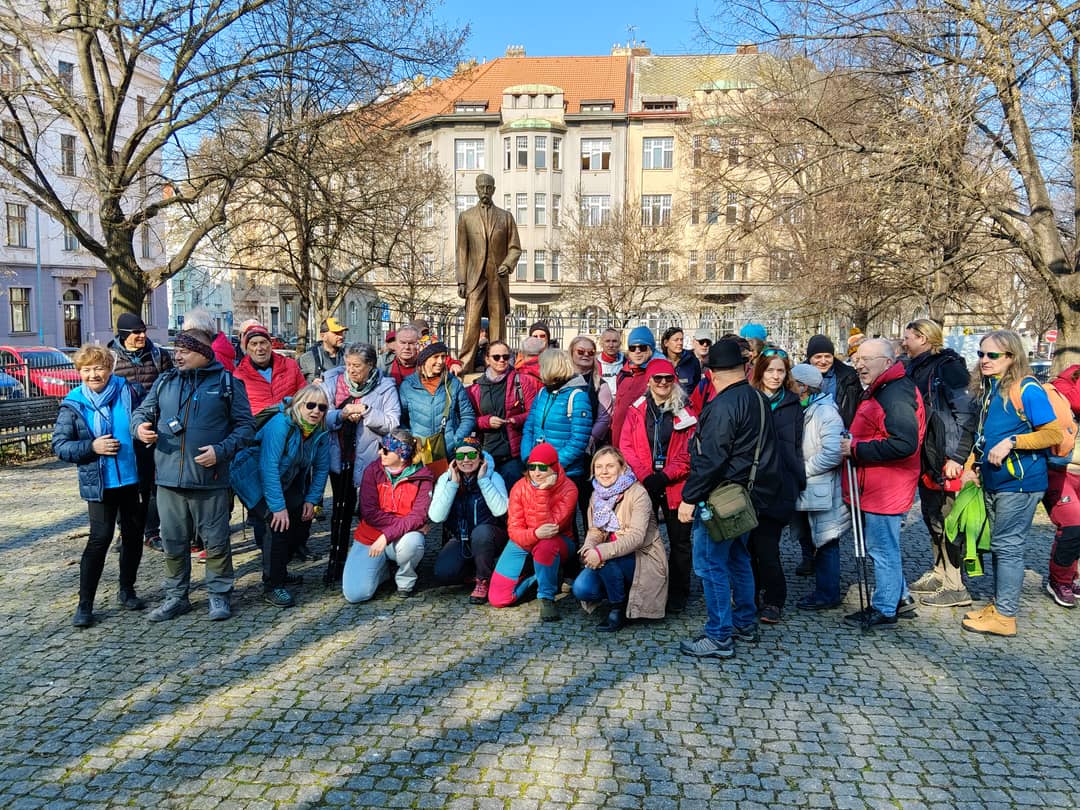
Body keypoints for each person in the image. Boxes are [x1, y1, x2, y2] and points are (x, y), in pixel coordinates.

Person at [132, 329, 255, 622]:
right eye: (176, 350)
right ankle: (176, 597)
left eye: (184, 351)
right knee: (173, 542)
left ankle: (219, 595)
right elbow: (141, 413)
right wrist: (139, 428)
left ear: (203, 352)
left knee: (216, 541)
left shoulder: (228, 383)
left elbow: (246, 427)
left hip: (209, 480)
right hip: (168, 480)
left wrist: (221, 451)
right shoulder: (165, 382)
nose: (177, 356)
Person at [677, 339, 780, 659]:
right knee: (738, 559)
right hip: (746, 496)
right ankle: (744, 622)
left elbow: (711, 460)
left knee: (711, 565)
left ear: (711, 373)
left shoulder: (724, 405)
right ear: (744, 367)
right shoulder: (758, 397)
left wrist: (689, 497)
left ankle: (720, 635)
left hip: (721, 498)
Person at [961, 330, 1062, 636]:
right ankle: (999, 606)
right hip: (995, 480)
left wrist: (1013, 442)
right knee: (1000, 546)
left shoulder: (1027, 388)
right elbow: (984, 436)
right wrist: (971, 466)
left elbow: (1053, 433)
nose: (984, 360)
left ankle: (1005, 616)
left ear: (1012, 357)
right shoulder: (990, 389)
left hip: (1020, 483)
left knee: (1008, 547)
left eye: (992, 355)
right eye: (981, 354)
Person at [53, 344, 146, 627]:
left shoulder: (130, 392)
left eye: (99, 368)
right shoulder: (74, 403)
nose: (93, 374)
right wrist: (92, 447)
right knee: (100, 539)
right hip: (100, 483)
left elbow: (147, 420)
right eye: (86, 369)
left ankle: (127, 591)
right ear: (79, 372)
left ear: (110, 368)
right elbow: (60, 446)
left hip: (134, 478)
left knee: (133, 536)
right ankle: (85, 605)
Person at [840, 338, 925, 629]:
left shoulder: (895, 394)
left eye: (867, 360)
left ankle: (885, 608)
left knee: (882, 548)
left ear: (887, 362)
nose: (860, 365)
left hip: (885, 485)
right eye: (857, 360)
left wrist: (856, 448)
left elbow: (904, 443)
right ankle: (899, 596)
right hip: (878, 483)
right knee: (884, 545)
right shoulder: (886, 387)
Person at [230, 385, 331, 608]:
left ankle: (280, 571)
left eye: (322, 407)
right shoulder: (281, 424)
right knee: (276, 525)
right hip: (251, 477)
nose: (316, 411)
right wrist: (277, 507)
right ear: (298, 405)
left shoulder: (320, 431)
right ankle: (272, 585)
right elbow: (268, 467)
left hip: (285, 478)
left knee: (299, 521)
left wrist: (312, 500)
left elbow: (322, 468)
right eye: (310, 405)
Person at [901, 318, 978, 608]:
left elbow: (966, 414)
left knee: (948, 520)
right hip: (926, 455)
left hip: (946, 457)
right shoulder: (915, 367)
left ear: (923, 338)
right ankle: (939, 572)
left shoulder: (949, 368)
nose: (904, 342)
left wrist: (958, 457)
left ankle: (955, 585)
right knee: (931, 516)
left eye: (908, 337)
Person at [618, 359, 697, 612]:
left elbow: (689, 452)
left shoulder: (686, 410)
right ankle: (643, 588)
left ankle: (678, 592)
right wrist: (645, 475)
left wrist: (665, 476)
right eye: (657, 378)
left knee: (680, 541)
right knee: (641, 537)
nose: (663, 382)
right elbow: (626, 446)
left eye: (668, 378)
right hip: (646, 483)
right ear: (649, 380)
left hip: (675, 485)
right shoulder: (637, 408)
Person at [321, 342, 400, 585]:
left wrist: (366, 411)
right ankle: (335, 564)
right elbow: (320, 416)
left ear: (371, 365)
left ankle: (373, 564)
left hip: (371, 459)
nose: (351, 370)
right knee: (340, 511)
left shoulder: (385, 386)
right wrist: (341, 414)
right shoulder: (332, 381)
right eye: (348, 364)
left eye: (357, 365)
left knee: (371, 511)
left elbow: (392, 422)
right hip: (340, 456)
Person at [573, 447, 669, 631]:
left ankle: (618, 608)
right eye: (599, 467)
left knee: (606, 560)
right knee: (582, 588)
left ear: (622, 467)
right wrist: (589, 548)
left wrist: (600, 552)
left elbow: (636, 538)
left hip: (642, 556)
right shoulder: (596, 494)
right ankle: (619, 591)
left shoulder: (638, 493)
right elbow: (595, 530)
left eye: (610, 466)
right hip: (612, 554)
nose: (604, 471)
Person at [796, 334, 863, 575]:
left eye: (827, 356)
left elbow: (853, 408)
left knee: (827, 521)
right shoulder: (800, 378)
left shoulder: (847, 377)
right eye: (818, 357)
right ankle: (809, 557)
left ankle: (826, 579)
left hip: (833, 444)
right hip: (812, 448)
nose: (823, 361)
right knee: (804, 517)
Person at [747, 347, 805, 623]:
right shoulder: (749, 399)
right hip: (750, 484)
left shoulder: (793, 404)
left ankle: (774, 599)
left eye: (781, 371)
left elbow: (797, 445)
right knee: (748, 547)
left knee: (767, 547)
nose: (775, 376)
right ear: (760, 371)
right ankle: (750, 594)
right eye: (770, 370)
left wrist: (796, 478)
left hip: (779, 484)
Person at [490, 443, 578, 621]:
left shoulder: (569, 489)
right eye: (532, 467)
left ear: (554, 467)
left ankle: (546, 597)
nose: (536, 473)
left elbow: (549, 529)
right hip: (526, 539)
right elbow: (514, 529)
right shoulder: (519, 487)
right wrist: (534, 535)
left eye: (542, 467)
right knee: (498, 599)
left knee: (545, 546)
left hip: (557, 542)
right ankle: (538, 576)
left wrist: (542, 492)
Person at [108, 311, 173, 551]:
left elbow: (169, 387)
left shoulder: (158, 355)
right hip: (122, 431)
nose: (142, 336)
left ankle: (151, 531)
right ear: (124, 334)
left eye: (143, 331)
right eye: (136, 332)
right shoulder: (110, 358)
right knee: (124, 484)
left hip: (153, 428)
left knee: (151, 484)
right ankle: (125, 531)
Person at [343, 429, 434, 602]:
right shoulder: (372, 470)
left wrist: (387, 536)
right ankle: (384, 570)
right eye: (380, 447)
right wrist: (405, 524)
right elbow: (369, 512)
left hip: (401, 537)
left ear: (401, 455)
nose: (379, 452)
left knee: (413, 542)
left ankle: (405, 580)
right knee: (356, 594)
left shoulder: (423, 476)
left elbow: (418, 516)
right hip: (370, 536)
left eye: (385, 450)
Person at [789, 363, 850, 611]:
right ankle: (823, 587)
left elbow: (833, 453)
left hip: (822, 488)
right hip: (811, 488)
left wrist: (802, 469)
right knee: (815, 536)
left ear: (803, 387)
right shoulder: (809, 408)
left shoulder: (825, 412)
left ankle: (827, 593)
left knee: (826, 540)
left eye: (792, 383)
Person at [428, 436, 509, 604]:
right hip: (462, 538)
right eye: (460, 456)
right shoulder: (446, 479)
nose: (466, 460)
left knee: (481, 533)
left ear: (480, 458)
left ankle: (483, 580)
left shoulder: (493, 477)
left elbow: (501, 510)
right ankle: (477, 569)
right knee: (444, 573)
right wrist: (453, 484)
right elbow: (436, 516)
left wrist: (483, 481)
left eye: (471, 455)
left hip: (490, 536)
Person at [456, 173, 522, 370]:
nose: (484, 191)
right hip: (474, 278)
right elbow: (462, 251)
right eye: (481, 187)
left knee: (497, 323)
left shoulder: (505, 217)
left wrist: (507, 264)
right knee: (471, 321)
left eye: (488, 187)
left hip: (497, 277)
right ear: (476, 189)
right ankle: (465, 364)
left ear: (493, 190)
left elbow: (515, 248)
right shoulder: (466, 217)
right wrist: (461, 280)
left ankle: (498, 363)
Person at [467, 340, 542, 489]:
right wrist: (486, 421)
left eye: (506, 357)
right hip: (485, 455)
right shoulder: (475, 388)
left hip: (513, 455)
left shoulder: (522, 381)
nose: (501, 360)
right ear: (487, 359)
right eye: (496, 357)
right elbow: (469, 420)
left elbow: (534, 413)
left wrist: (516, 419)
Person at [398, 335, 475, 478]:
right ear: (423, 359)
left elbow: (468, 416)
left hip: (449, 454)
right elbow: (401, 420)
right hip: (420, 455)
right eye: (435, 357)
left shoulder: (453, 384)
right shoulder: (407, 386)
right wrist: (412, 441)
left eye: (443, 356)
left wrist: (456, 440)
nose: (440, 361)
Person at [520, 348, 593, 486]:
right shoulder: (543, 392)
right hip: (538, 470)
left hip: (565, 472)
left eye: (542, 366)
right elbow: (529, 427)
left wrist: (551, 466)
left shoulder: (577, 396)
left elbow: (579, 441)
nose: (539, 370)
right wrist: (528, 458)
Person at [1044, 364, 1080, 607]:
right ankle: (1060, 581)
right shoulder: (1061, 389)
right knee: (1073, 526)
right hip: (1060, 472)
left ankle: (1070, 577)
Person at [233, 324, 307, 414]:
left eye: (263, 342)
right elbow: (238, 411)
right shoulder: (239, 375)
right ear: (247, 349)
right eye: (254, 344)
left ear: (271, 345)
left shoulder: (290, 366)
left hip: (290, 420)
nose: (259, 348)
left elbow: (305, 396)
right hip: (257, 422)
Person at [611, 326, 665, 447]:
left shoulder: (661, 376)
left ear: (651, 349)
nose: (637, 351)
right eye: (632, 348)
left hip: (642, 444)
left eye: (642, 347)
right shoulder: (623, 373)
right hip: (618, 442)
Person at [299, 317, 348, 383]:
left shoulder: (349, 356)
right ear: (323, 336)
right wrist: (311, 385)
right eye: (336, 333)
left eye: (342, 333)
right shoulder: (308, 358)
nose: (341, 337)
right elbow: (296, 384)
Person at [660, 327, 702, 397]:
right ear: (666, 343)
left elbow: (697, 388)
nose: (680, 343)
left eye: (681, 339)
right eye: (676, 340)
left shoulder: (692, 361)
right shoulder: (659, 362)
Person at [598, 328, 624, 396]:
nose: (611, 345)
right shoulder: (594, 364)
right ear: (601, 343)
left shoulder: (627, 363)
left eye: (614, 341)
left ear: (620, 343)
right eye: (607, 341)